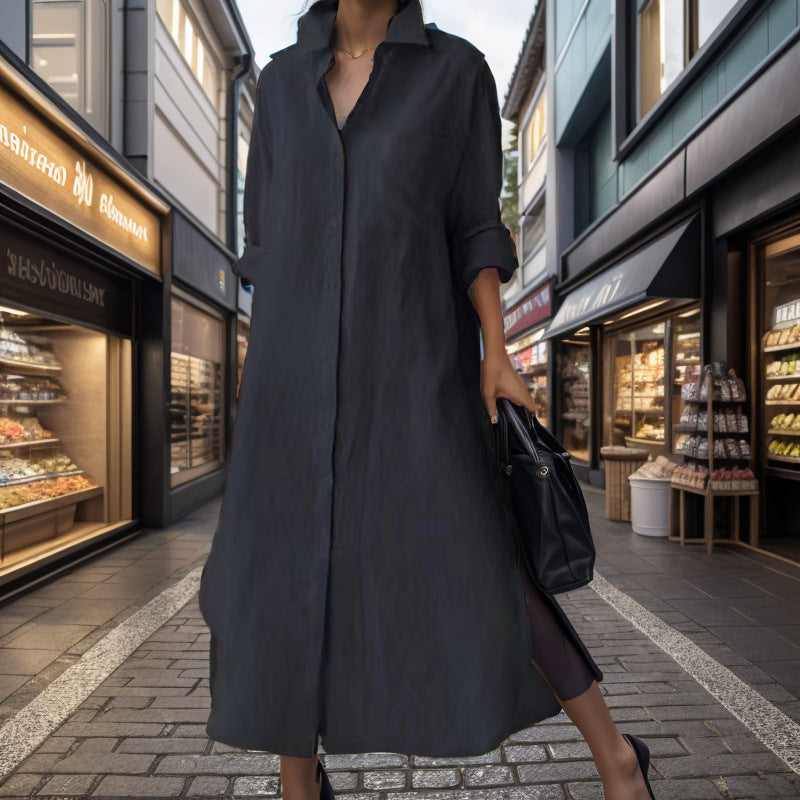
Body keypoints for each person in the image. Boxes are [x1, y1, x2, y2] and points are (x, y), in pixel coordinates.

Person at [198, 2, 658, 799]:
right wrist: (256, 376)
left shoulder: (457, 75)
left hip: (415, 372)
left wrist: (497, 353)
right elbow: (267, 251)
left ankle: (617, 757)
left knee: (482, 564)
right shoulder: (277, 86)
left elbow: (476, 228)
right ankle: (298, 788)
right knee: (286, 570)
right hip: (290, 382)